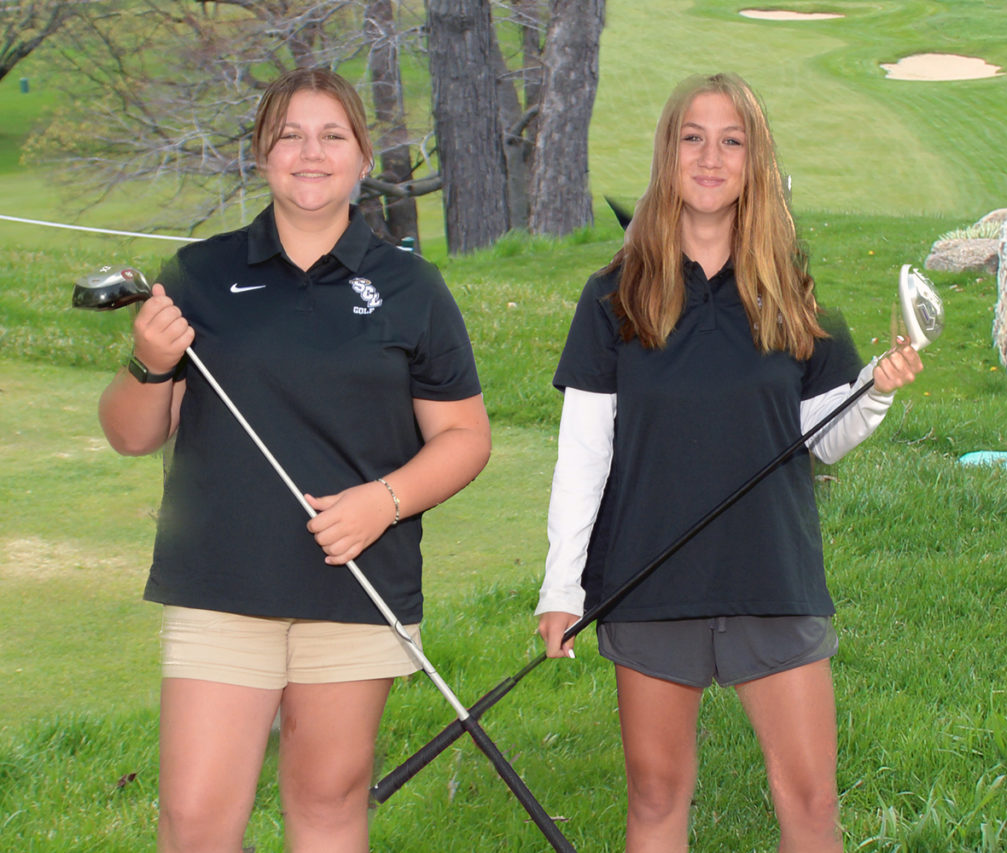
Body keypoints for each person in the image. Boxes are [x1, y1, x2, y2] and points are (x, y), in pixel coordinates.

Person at [98, 67, 491, 853]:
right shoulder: (199, 274)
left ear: (362, 154)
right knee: (196, 822)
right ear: (261, 153)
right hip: (219, 581)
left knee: (327, 805)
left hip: (357, 585)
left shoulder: (412, 287)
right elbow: (132, 433)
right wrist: (147, 363)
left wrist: (383, 499)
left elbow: (464, 438)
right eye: (289, 136)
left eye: (331, 135)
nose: (310, 153)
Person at [535, 72, 923, 852]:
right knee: (655, 795)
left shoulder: (792, 294)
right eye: (693, 138)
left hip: (771, 574)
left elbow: (816, 435)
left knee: (811, 800)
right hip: (648, 577)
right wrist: (561, 583)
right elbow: (585, 449)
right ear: (667, 154)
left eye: (732, 141)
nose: (711, 158)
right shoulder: (614, 296)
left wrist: (872, 394)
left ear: (755, 161)